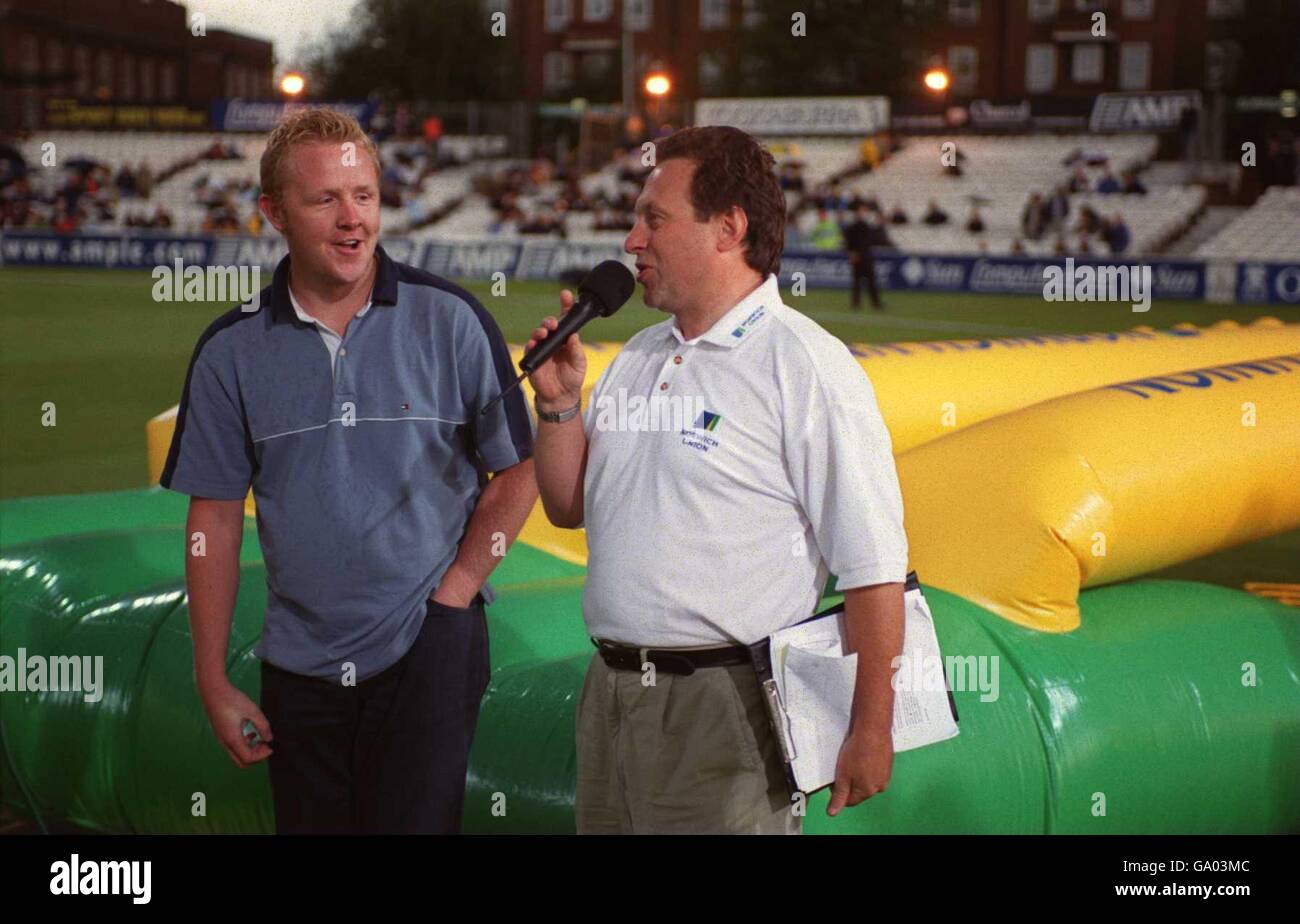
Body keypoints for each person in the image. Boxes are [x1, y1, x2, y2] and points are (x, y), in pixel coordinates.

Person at [160, 107, 538, 834]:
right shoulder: (231, 349)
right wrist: (210, 678)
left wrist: (456, 595)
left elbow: (518, 471)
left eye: (364, 195)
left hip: (430, 648)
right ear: (273, 212)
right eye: (324, 199)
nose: (351, 218)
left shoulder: (452, 318)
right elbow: (211, 520)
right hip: (299, 666)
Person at [524, 125, 909, 835]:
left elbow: (873, 567)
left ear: (728, 228)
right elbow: (567, 505)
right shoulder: (637, 356)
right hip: (608, 693)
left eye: (654, 218)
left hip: (726, 708)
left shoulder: (806, 366)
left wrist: (871, 726)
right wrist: (558, 406)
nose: (633, 241)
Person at [842, 203, 883, 310]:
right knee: (857, 282)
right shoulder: (853, 227)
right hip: (857, 257)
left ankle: (876, 303)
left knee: (871, 281)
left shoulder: (867, 227)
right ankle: (856, 303)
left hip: (867, 256)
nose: (863, 213)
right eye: (861, 211)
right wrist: (851, 254)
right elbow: (848, 243)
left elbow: (872, 241)